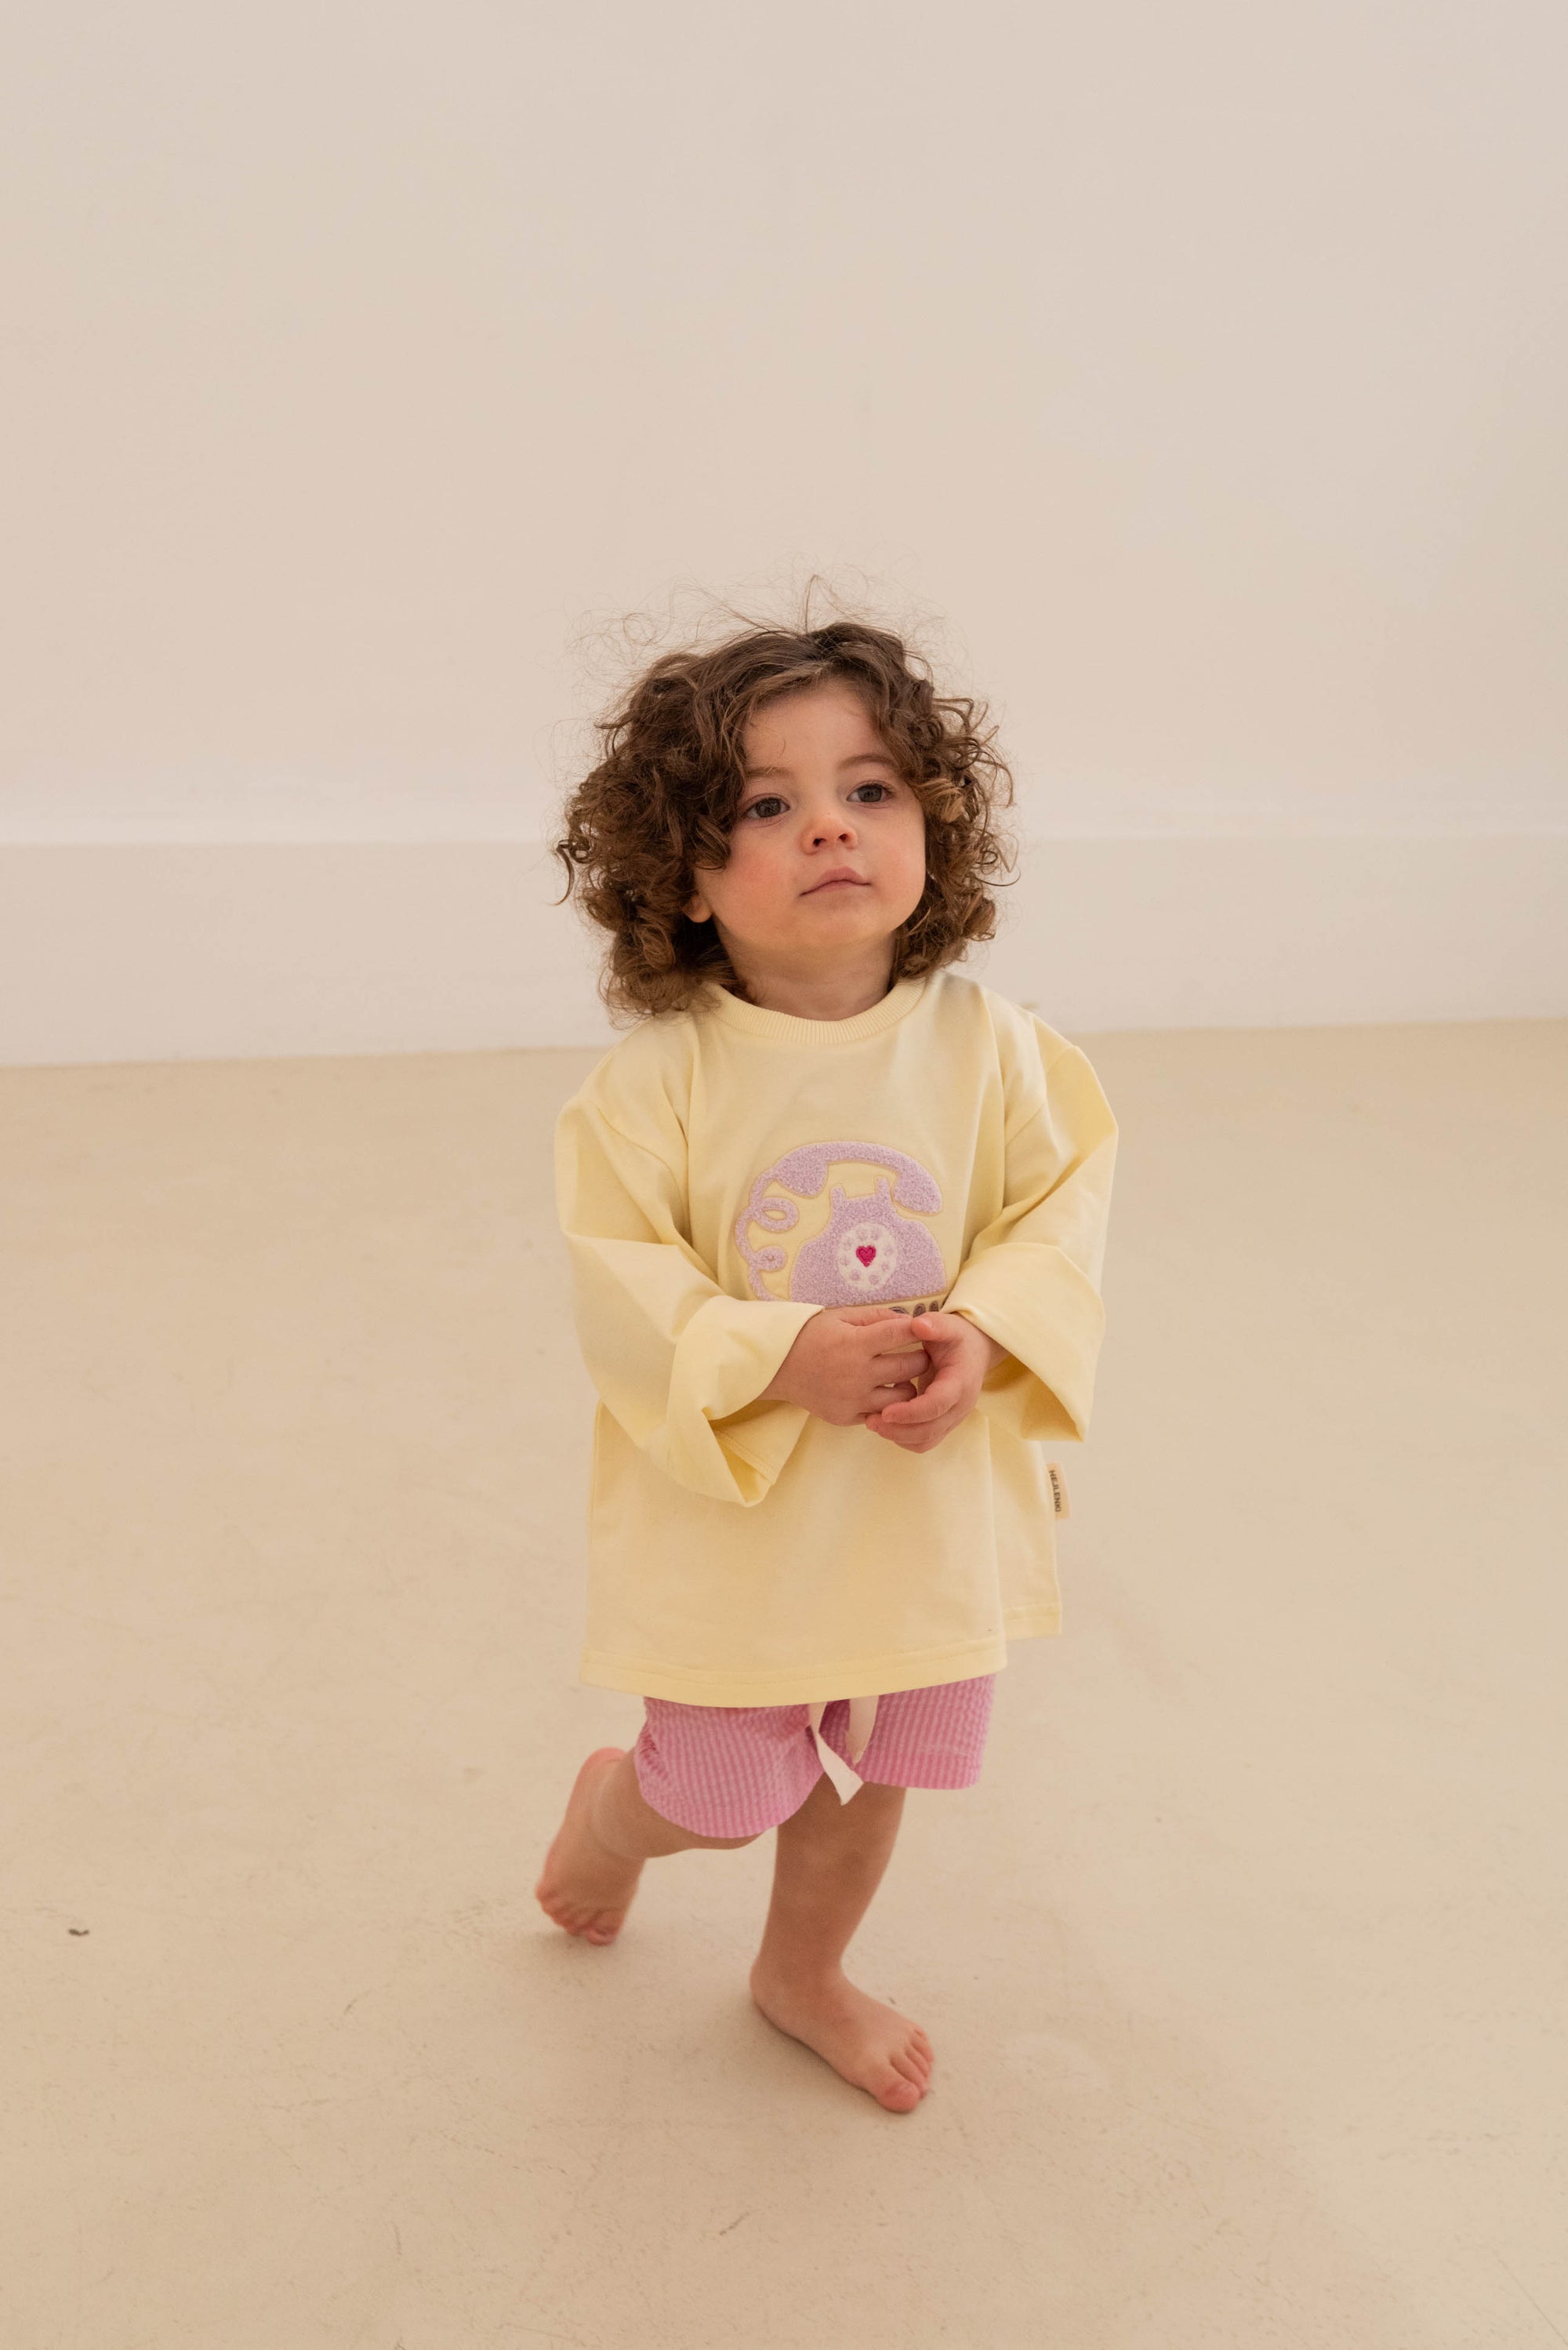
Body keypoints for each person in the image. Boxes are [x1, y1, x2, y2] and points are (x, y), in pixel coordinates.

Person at [534, 612, 1117, 2112]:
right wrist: (778, 1352)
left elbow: (1059, 1212)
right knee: (719, 1796)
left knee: (876, 1766)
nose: (830, 828)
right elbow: (624, 1283)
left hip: (921, 1509)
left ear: (933, 822)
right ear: (684, 874)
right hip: (742, 1532)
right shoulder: (654, 1084)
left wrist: (986, 1332)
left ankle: (802, 1969)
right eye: (766, 804)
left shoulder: (997, 1048)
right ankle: (616, 1812)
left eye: (869, 789)